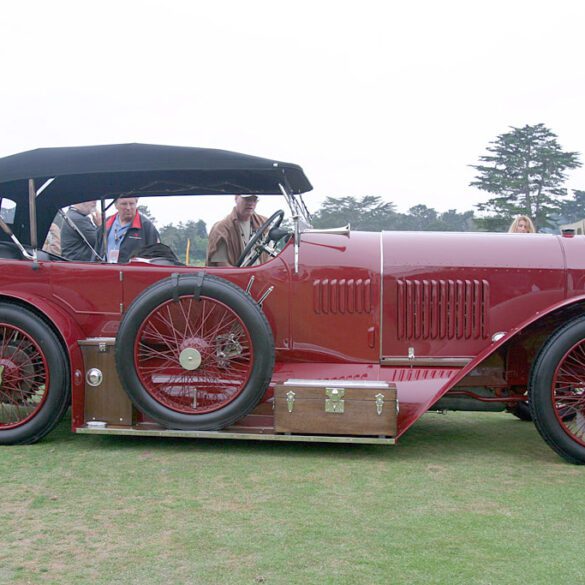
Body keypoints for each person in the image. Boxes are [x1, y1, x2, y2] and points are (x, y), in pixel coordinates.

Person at [207, 194, 267, 266]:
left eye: (254, 200)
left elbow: (270, 257)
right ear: (236, 198)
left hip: (261, 275)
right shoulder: (221, 229)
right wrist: (242, 276)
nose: (251, 203)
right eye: (247, 199)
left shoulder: (264, 224)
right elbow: (221, 265)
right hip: (233, 276)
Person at [105, 197, 159, 263]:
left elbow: (155, 256)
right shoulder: (106, 223)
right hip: (106, 270)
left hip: (132, 271)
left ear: (136, 203)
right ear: (116, 205)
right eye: (124, 204)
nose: (128, 208)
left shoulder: (147, 226)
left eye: (131, 204)